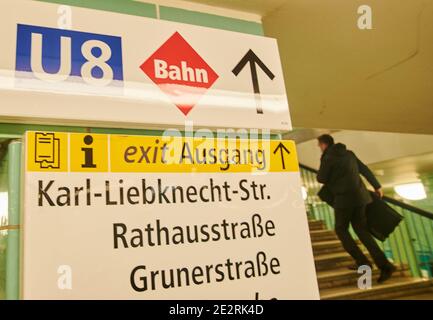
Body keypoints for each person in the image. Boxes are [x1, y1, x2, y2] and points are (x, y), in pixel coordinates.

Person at [316, 134, 396, 283]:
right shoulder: (349, 154)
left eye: (319, 145)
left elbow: (321, 178)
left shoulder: (328, 157)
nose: (319, 148)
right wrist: (377, 186)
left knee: (341, 229)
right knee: (361, 230)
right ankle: (385, 266)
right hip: (361, 198)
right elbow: (363, 169)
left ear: (324, 145)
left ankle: (363, 262)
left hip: (344, 200)